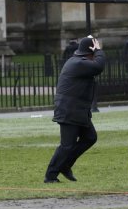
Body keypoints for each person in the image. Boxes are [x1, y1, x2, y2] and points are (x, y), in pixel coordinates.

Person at [44, 36, 105, 184]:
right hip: (69, 110)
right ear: (90, 52)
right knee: (67, 145)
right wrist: (99, 50)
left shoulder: (78, 61)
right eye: (94, 52)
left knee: (90, 137)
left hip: (77, 110)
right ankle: (50, 176)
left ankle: (65, 165)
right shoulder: (79, 63)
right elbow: (99, 66)